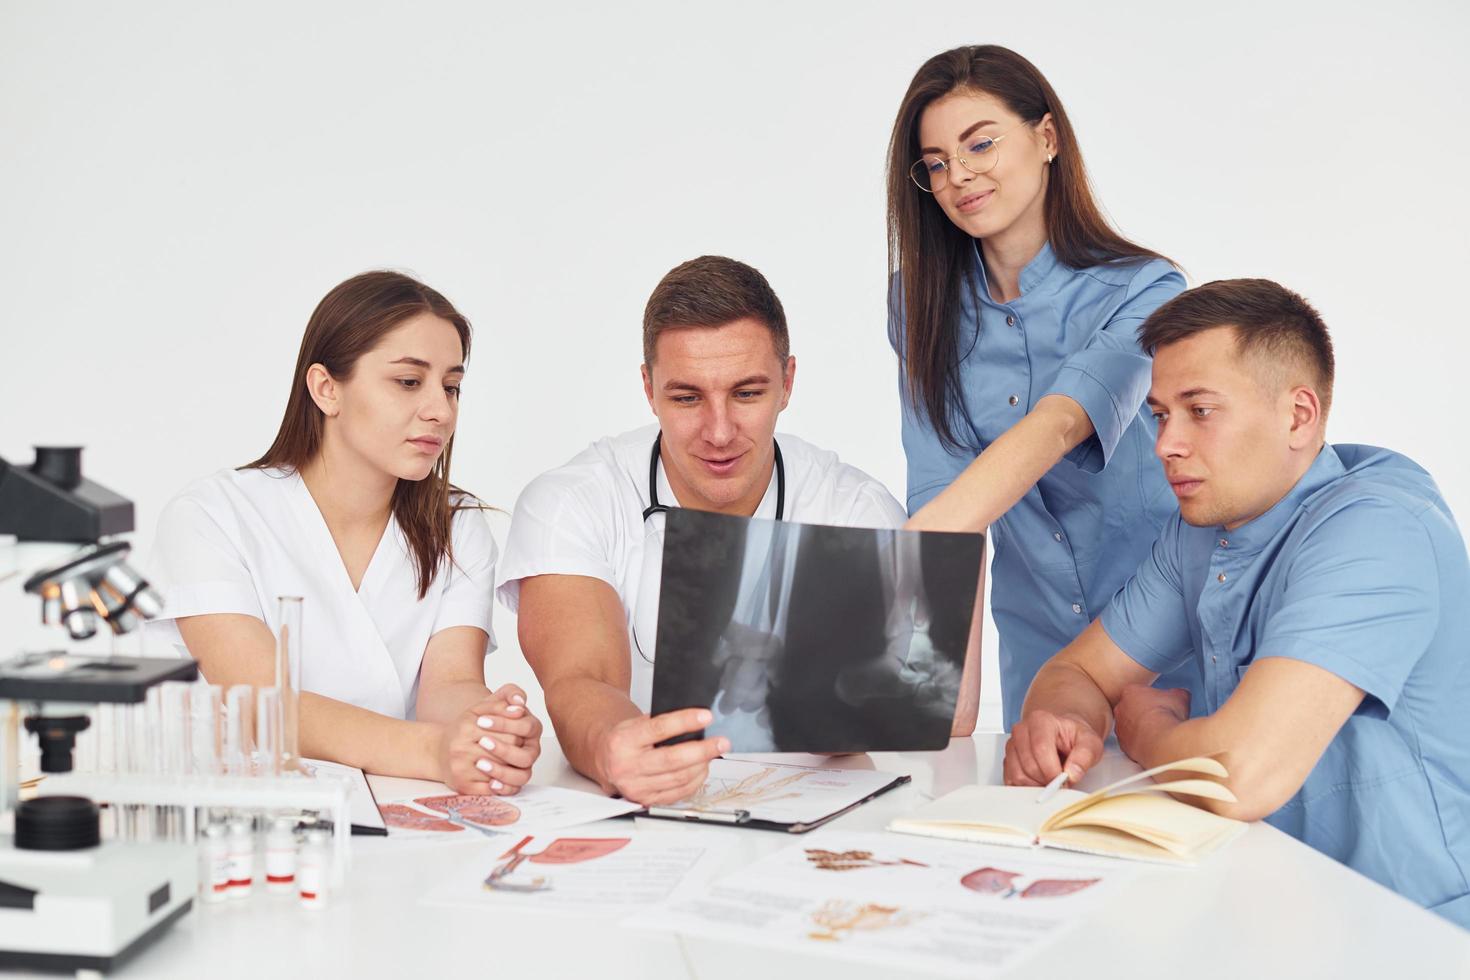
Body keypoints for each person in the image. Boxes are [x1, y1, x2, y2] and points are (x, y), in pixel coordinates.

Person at [1004, 279, 1470, 926]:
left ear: (1299, 416)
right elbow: (1077, 672)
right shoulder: (1202, 532)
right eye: (1162, 414)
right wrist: (1066, 723)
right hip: (1274, 906)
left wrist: (1149, 732)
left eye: (1200, 410)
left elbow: (1239, 775)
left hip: (1415, 932)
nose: (1165, 444)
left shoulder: (1381, 531)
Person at [497, 255, 973, 806]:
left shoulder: (855, 510)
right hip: (642, 813)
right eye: (686, 397)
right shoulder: (571, 503)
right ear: (648, 389)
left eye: (747, 394)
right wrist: (614, 747)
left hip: (820, 816)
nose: (719, 432)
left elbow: (906, 700)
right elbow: (582, 681)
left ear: (788, 383)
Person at [887, 44, 1194, 728]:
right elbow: (944, 501)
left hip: (1167, 647)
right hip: (1038, 656)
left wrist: (869, 584)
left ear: (1047, 137)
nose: (958, 176)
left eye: (980, 145)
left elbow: (1061, 424)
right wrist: (943, 716)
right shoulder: (920, 304)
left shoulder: (1146, 290)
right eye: (936, 163)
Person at [148, 271, 541, 795]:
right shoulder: (210, 516)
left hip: (394, 804)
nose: (441, 411)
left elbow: (448, 685)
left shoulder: (456, 523)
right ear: (326, 388)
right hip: (242, 818)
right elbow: (265, 707)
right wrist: (434, 751)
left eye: (452, 387)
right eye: (408, 381)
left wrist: (487, 729)